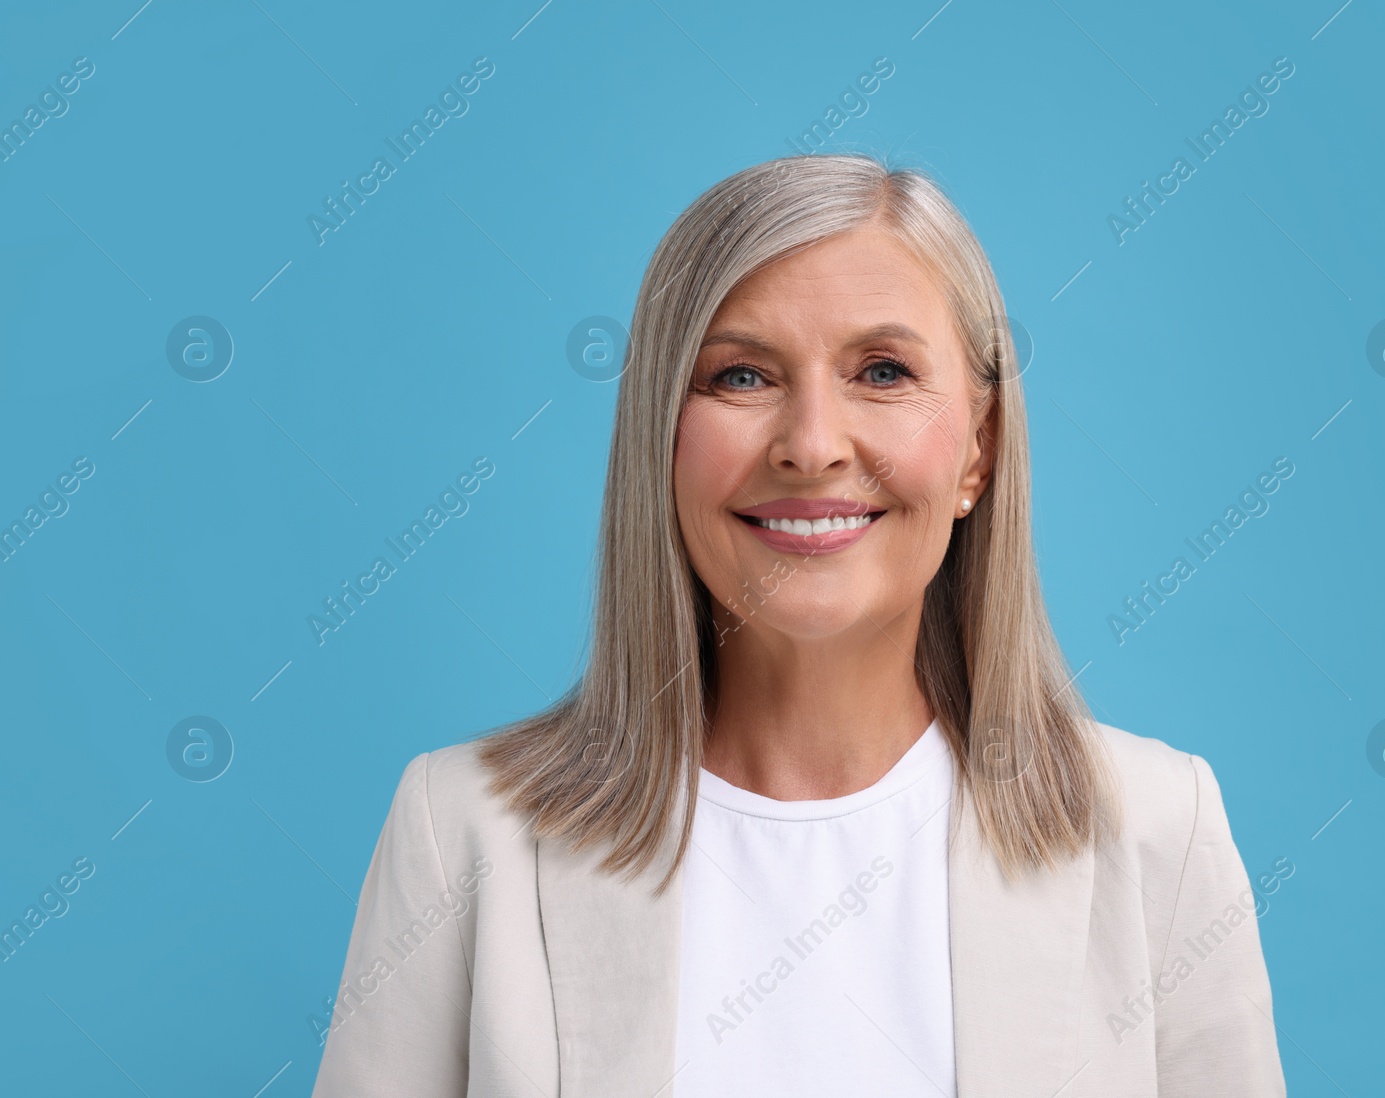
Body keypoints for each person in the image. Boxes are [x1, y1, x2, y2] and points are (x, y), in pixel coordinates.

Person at [310, 152, 1287, 1097]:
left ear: (977, 452)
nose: (812, 447)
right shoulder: (462, 832)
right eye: (741, 377)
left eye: (883, 372)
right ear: (661, 437)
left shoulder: (1156, 828)